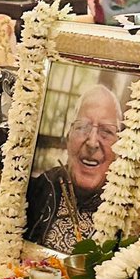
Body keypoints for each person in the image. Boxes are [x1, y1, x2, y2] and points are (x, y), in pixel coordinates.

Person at [25, 84, 121, 251]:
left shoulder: (129, 213)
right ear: (68, 137)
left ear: (120, 147)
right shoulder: (36, 191)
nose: (92, 142)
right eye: (83, 127)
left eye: (106, 132)